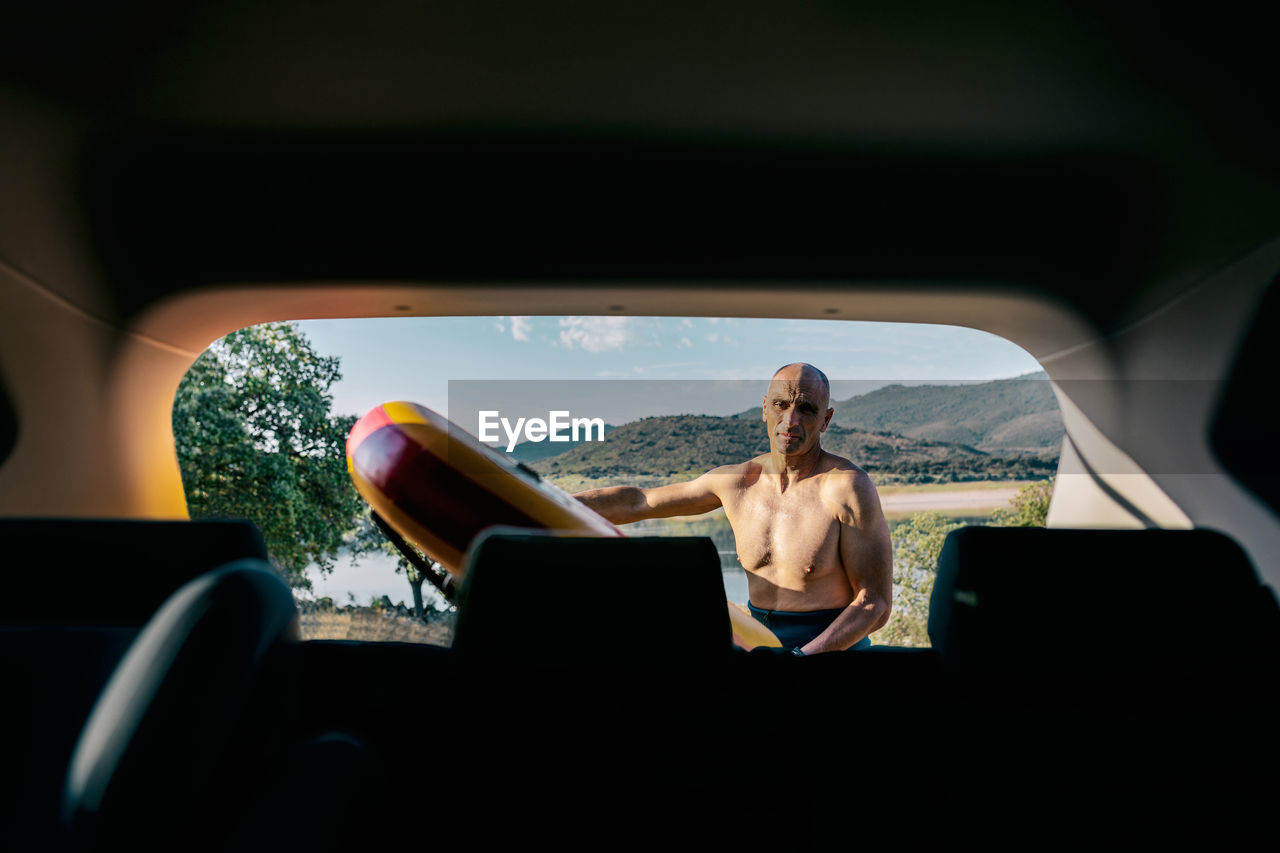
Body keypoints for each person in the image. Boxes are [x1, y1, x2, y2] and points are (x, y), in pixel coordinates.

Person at [575, 363, 892, 654]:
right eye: (781, 405)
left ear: (826, 419)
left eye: (806, 409)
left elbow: (874, 602)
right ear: (764, 408)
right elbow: (638, 502)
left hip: (831, 657)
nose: (791, 420)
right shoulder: (738, 483)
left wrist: (802, 658)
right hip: (759, 648)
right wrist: (545, 500)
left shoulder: (847, 486)